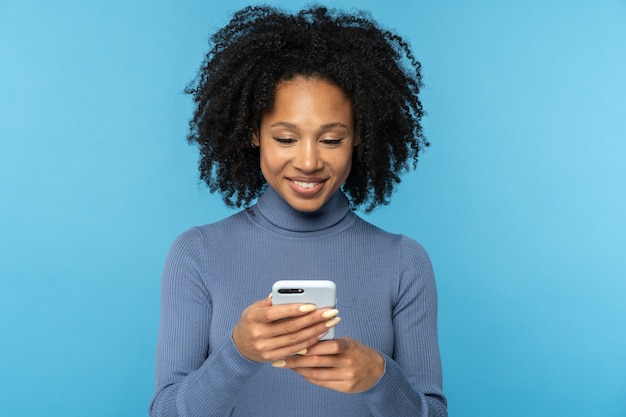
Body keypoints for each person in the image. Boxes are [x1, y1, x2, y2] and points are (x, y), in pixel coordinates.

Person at [149, 5, 447, 417]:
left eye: (331, 139)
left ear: (359, 136)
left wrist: (380, 377)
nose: (308, 162)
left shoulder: (404, 261)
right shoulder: (197, 253)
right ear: (253, 132)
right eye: (286, 138)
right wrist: (239, 351)